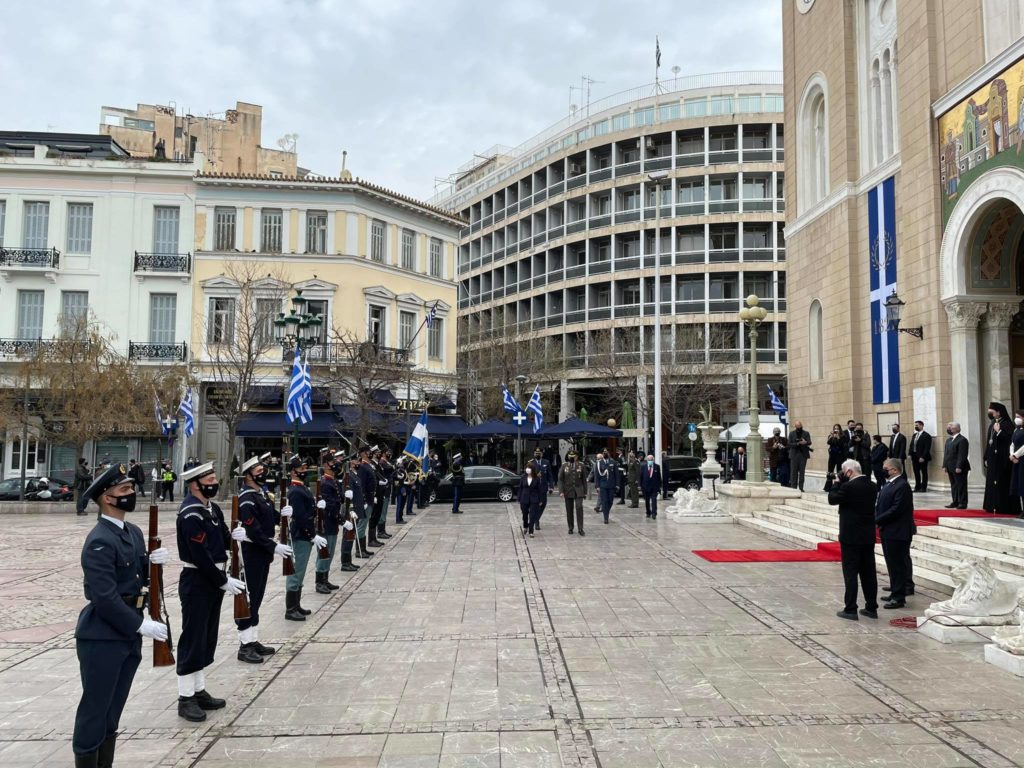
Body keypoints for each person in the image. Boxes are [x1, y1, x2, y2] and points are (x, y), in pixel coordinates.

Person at [72, 463, 170, 768]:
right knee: (95, 710)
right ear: (107, 498)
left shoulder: (133, 531)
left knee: (112, 711)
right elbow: (103, 597)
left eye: (130, 488)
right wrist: (140, 624)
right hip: (102, 636)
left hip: (127, 634)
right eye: (124, 490)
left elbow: (142, 580)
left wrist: (155, 564)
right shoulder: (100, 539)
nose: (131, 494)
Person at [175, 461, 242, 722]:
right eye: (209, 480)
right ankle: (185, 697)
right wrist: (222, 580)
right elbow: (199, 556)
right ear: (195, 484)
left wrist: (235, 536)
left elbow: (222, 537)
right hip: (198, 579)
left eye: (214, 478)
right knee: (193, 637)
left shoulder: (211, 509)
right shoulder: (191, 514)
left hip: (213, 579)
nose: (214, 483)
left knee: (206, 636)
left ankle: (199, 690)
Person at [232, 453, 293, 664]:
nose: (264, 474)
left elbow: (269, 517)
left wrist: (284, 514)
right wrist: (274, 546)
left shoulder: (260, 495)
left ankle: (253, 639)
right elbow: (255, 531)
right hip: (253, 552)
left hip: (262, 552)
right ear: (248, 476)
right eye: (259, 472)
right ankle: (244, 645)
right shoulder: (247, 499)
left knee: (256, 597)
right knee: (249, 598)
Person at [827, 458, 879, 621]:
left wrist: (836, 483)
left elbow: (832, 499)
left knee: (850, 573)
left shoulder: (849, 487)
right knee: (869, 573)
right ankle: (871, 607)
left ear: (849, 471)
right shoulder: (872, 485)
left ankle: (850, 608)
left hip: (851, 537)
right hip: (867, 535)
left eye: (844, 472)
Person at [283, 456, 327, 621]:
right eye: (301, 470)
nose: (304, 472)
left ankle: (296, 605)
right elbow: (301, 517)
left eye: (304, 469)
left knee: (300, 572)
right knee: (295, 572)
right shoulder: (295, 490)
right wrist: (312, 535)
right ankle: (290, 608)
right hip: (300, 536)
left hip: (304, 535)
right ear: (293, 472)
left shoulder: (301, 488)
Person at [875, 458, 916, 608]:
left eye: (886, 468)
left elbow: (897, 508)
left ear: (894, 470)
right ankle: (895, 591)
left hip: (898, 531)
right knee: (891, 563)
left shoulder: (902, 485)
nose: (883, 469)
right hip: (888, 530)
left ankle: (899, 597)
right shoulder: (890, 483)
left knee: (898, 564)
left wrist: (878, 519)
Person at [314, 449, 342, 595]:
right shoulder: (325, 482)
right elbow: (330, 505)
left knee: (329, 553)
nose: (335, 464)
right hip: (327, 522)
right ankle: (319, 582)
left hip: (333, 522)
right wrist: (339, 517)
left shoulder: (332, 480)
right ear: (325, 465)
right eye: (332, 462)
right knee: (324, 553)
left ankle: (325, 578)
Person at [984, 402, 1014, 515]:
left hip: (1003, 460)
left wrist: (999, 432)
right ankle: (991, 505)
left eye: (992, 411)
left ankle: (1002, 506)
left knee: (1002, 483)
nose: (990, 413)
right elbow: (989, 441)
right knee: (991, 482)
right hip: (992, 459)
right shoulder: (992, 423)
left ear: (998, 412)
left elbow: (1009, 440)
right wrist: (985, 457)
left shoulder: (1007, 424)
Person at [558, 450, 588, 535]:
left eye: (573, 456)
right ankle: (570, 527)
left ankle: (580, 528)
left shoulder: (581, 465)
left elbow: (584, 480)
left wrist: (585, 492)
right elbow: (560, 479)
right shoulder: (564, 466)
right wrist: (561, 491)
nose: (571, 458)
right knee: (569, 510)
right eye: (570, 456)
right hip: (568, 490)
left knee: (579, 508)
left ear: (576, 457)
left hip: (579, 490)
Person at [943, 421, 971, 509]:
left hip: (959, 467)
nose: (949, 428)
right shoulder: (949, 440)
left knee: (961, 485)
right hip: (950, 466)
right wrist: (944, 465)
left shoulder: (962, 440)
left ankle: (962, 503)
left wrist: (959, 466)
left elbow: (962, 455)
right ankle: (955, 501)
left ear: (957, 428)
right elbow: (946, 454)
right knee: (954, 485)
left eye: (950, 426)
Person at [592, 449, 617, 523]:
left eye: (606, 452)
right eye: (604, 452)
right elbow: (596, 476)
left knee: (610, 501)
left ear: (608, 453)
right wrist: (597, 486)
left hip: (611, 485)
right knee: (604, 501)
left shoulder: (613, 462)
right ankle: (606, 517)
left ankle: (606, 511)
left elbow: (616, 475)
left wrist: (617, 484)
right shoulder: (599, 463)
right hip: (603, 486)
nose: (605, 453)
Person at [518, 465, 543, 537]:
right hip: (524, 498)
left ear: (532, 470)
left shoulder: (537, 478)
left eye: (529, 468)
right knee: (524, 514)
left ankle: (531, 531)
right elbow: (520, 488)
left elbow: (539, 490)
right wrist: (519, 498)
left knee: (532, 515)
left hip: (534, 498)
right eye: (527, 468)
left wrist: (540, 500)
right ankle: (525, 526)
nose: (527, 470)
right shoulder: (523, 477)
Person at [908, 420, 932, 492]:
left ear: (921, 426)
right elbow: (911, 445)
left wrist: (923, 457)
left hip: (922, 457)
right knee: (916, 472)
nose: (916, 426)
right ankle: (917, 487)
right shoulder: (914, 435)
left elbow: (927, 448)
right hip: (914, 456)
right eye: (915, 425)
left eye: (917, 425)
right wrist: (910, 454)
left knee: (924, 472)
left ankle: (923, 487)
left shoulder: (927, 436)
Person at [788, 421, 812, 492]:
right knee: (793, 472)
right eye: (797, 426)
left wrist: (805, 442)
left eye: (800, 426)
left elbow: (810, 442)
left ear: (802, 425)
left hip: (803, 455)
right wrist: (797, 443)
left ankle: (801, 488)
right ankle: (793, 487)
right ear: (795, 426)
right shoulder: (791, 433)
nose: (799, 427)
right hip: (794, 455)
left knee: (802, 472)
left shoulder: (806, 433)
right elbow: (789, 444)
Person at [529, 448, 550, 529]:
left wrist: (551, 486)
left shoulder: (546, 462)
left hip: (543, 487)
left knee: (543, 504)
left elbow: (550, 475)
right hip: (534, 488)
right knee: (535, 505)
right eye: (536, 453)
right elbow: (527, 476)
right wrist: (535, 476)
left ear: (542, 454)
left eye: (539, 453)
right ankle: (536, 522)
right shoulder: (530, 463)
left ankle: (536, 519)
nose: (537, 454)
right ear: (534, 454)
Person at [376, 449, 395, 540]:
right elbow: (388, 469)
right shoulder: (382, 463)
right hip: (383, 490)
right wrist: (394, 466)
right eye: (387, 453)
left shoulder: (386, 462)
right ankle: (380, 531)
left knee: (384, 511)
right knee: (382, 512)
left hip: (387, 490)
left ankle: (383, 530)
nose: (389, 454)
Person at [1010, 410, 1024, 517]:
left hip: (1022, 459)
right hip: (1016, 461)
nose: (1016, 418)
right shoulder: (1016, 430)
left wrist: (1016, 455)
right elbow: (1012, 444)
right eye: (1015, 416)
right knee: (1019, 484)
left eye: (1018, 416)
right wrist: (1011, 454)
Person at [640, 453, 662, 519]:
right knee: (647, 501)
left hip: (654, 487)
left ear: (653, 460)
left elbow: (659, 478)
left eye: (651, 459)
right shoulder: (643, 467)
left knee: (654, 500)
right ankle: (648, 512)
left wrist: (659, 487)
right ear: (647, 460)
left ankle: (654, 513)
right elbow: (641, 477)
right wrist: (641, 486)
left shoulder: (657, 467)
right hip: (646, 487)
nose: (650, 460)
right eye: (649, 459)